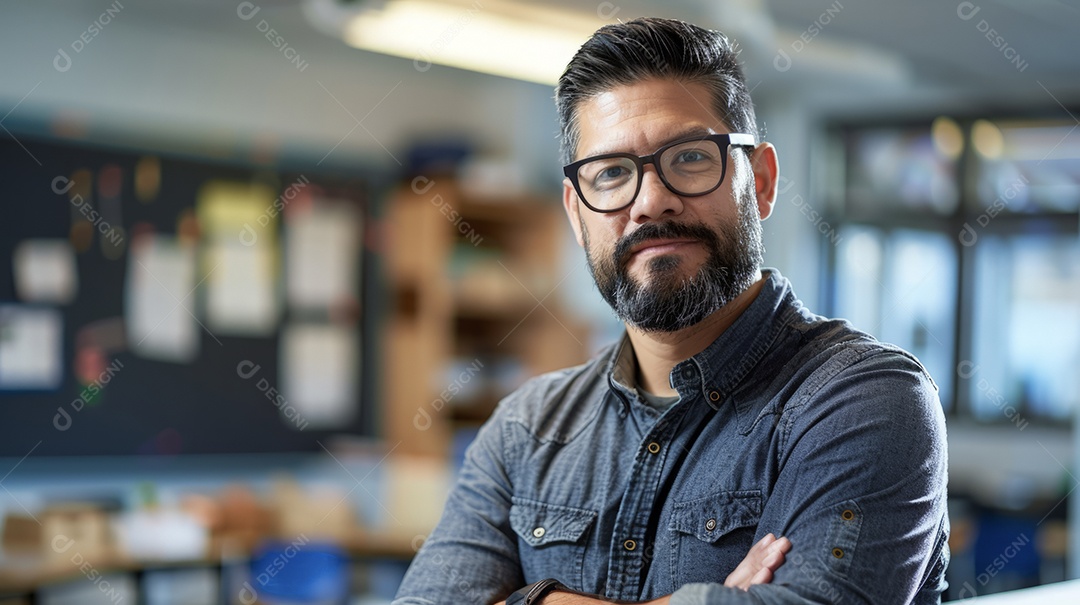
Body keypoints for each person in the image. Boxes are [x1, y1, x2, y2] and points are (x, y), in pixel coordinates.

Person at [393, 17, 949, 605]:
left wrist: (524, 601)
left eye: (689, 158)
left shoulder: (862, 400)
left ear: (759, 181)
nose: (651, 200)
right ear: (578, 215)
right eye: (610, 173)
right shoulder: (524, 429)